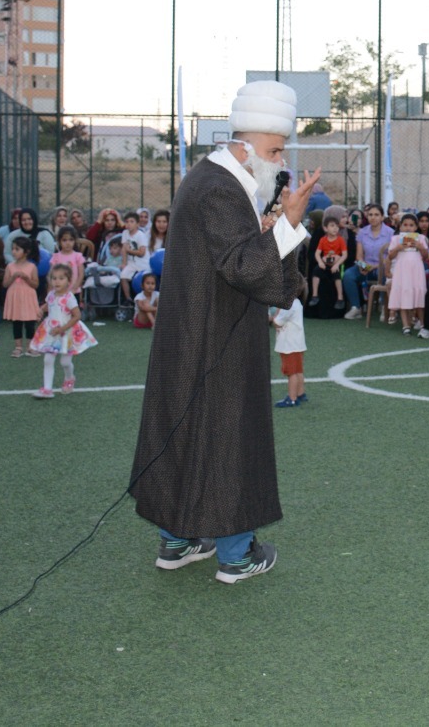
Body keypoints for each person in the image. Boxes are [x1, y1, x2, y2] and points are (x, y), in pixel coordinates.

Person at [131, 79, 318, 585]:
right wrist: (289, 224)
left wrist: (275, 224)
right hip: (217, 338)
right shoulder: (219, 187)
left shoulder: (213, 180)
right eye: (276, 150)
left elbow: (235, 257)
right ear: (247, 144)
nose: (281, 161)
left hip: (196, 333)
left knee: (186, 431)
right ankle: (236, 555)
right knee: (230, 435)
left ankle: (179, 540)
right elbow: (243, 268)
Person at [30, 262, 97, 399]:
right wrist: (41, 310)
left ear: (68, 280)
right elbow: (49, 305)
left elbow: (77, 315)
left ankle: (69, 378)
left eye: (61, 278)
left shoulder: (69, 298)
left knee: (65, 362)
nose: (57, 281)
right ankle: (47, 389)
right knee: (48, 360)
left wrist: (62, 328)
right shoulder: (51, 295)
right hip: (52, 331)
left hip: (67, 333)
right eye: (54, 278)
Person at [343, 204, 394, 322]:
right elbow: (359, 256)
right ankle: (356, 308)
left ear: (382, 217)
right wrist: (363, 266)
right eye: (370, 215)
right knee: (348, 275)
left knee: (383, 272)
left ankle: (383, 307)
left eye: (376, 215)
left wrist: (374, 267)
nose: (373, 217)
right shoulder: (362, 232)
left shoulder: (390, 233)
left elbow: (391, 256)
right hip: (366, 266)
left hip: (382, 267)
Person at [386, 213, 429, 335]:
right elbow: (390, 256)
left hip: (416, 270)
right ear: (400, 227)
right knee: (404, 294)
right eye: (405, 225)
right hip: (402, 270)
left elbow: (426, 256)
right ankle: (406, 325)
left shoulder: (420, 238)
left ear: (416, 227)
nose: (408, 228)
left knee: (419, 294)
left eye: (411, 225)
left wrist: (421, 247)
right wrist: (398, 248)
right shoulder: (395, 239)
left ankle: (422, 323)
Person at [3, 236, 41, 359]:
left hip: (28, 298)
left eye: (17, 249)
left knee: (30, 322)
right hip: (15, 297)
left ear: (26, 251)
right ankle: (18, 347)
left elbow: (35, 284)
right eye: (13, 249)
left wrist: (26, 278)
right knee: (17, 322)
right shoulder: (10, 266)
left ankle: (30, 346)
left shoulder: (32, 267)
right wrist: (13, 277)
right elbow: (5, 284)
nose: (13, 252)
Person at [273, 284, 308, 408]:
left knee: (291, 372)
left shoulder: (288, 305)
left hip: (289, 345)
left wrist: (272, 314)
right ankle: (300, 393)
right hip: (297, 343)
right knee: (298, 370)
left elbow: (277, 322)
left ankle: (292, 398)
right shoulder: (296, 302)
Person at [310, 215, 349, 309]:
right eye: (332, 226)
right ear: (325, 228)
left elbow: (344, 254)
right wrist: (320, 262)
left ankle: (340, 298)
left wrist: (337, 264)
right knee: (316, 272)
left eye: (337, 226)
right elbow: (317, 253)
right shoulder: (323, 240)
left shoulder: (340, 240)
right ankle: (314, 295)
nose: (335, 228)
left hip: (336, 263)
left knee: (337, 275)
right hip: (325, 262)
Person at [52, 227, 87, 301]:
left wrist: (75, 288)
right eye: (64, 240)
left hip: (74, 292)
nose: (68, 243)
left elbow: (81, 274)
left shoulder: (78, 256)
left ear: (75, 241)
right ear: (59, 241)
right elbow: (51, 274)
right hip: (59, 291)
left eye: (71, 240)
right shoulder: (56, 257)